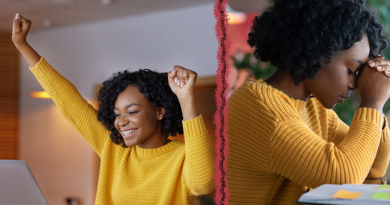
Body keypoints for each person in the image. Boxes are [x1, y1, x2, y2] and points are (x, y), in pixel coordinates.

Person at [12, 13, 214, 205]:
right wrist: (23, 46)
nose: (121, 121)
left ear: (160, 112)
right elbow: (68, 101)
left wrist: (186, 97)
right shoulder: (114, 148)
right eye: (117, 114)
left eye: (132, 111)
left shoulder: (182, 157)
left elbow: (203, 184)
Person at [227, 0, 390, 204]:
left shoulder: (313, 108)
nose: (355, 84)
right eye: (351, 71)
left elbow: (373, 168)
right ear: (316, 52)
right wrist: (372, 102)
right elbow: (343, 178)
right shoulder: (258, 107)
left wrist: (377, 107)